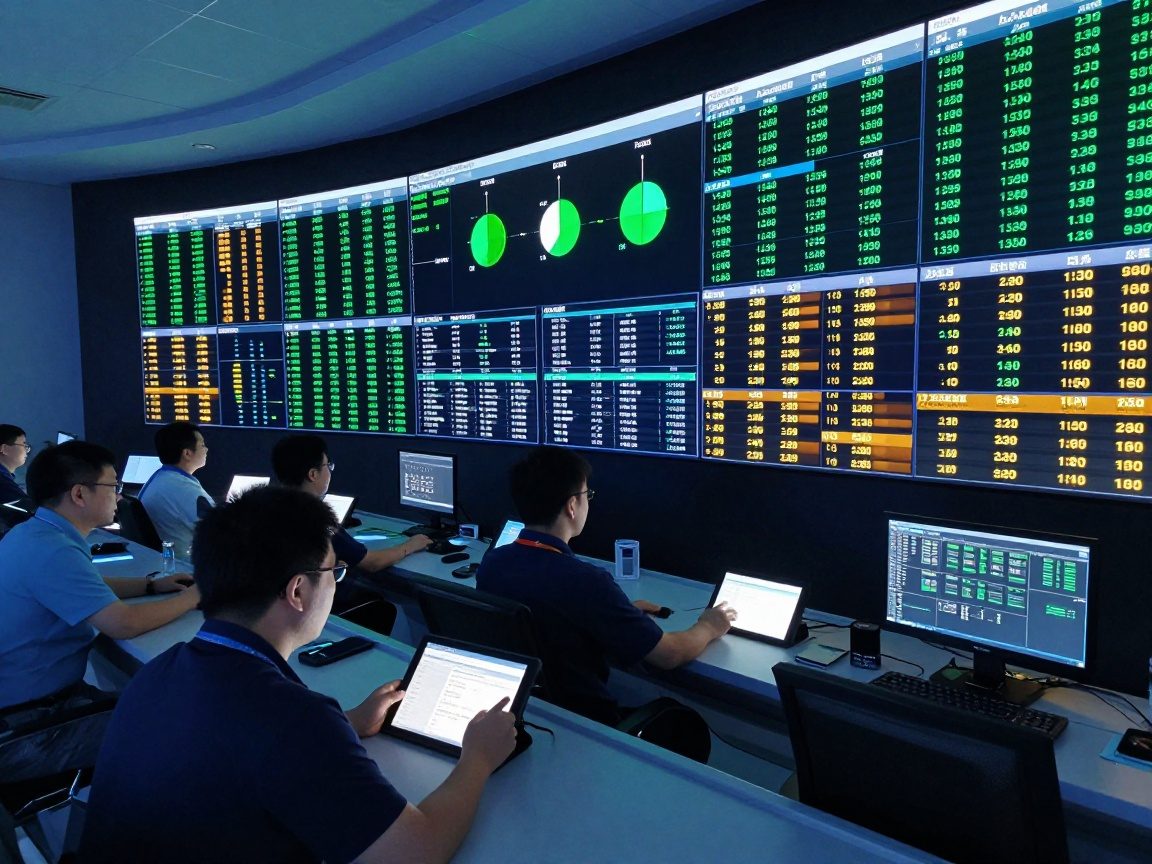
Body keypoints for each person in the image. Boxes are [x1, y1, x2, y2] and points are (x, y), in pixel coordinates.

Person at [79, 486, 517, 864]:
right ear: (298, 591)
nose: (336, 584)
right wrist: (477, 757)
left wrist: (346, 722)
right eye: (333, 572)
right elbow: (416, 852)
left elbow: (236, 748)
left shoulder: (161, 671)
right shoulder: (293, 718)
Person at [477, 446, 737, 725]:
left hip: (529, 713)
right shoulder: (585, 581)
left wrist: (617, 611)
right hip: (586, 723)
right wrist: (709, 626)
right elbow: (669, 655)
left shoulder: (493, 563)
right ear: (572, 506)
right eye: (586, 494)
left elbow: (553, 616)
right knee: (684, 723)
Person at [0, 441, 199, 713]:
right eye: (113, 487)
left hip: (32, 698)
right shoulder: (55, 551)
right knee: (167, 727)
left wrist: (151, 585)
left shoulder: (33, 533)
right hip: (34, 718)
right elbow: (123, 625)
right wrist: (195, 596)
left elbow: (88, 585)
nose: (119, 496)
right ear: (80, 494)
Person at [271, 434, 432, 573]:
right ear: (313, 474)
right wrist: (410, 546)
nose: (330, 471)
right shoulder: (316, 519)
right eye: (328, 465)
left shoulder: (265, 508)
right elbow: (372, 563)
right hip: (315, 605)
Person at [138, 421, 212, 558]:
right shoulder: (185, 489)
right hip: (186, 567)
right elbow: (217, 530)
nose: (206, 449)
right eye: (202, 445)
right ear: (187, 453)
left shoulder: (159, 479)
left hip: (164, 562)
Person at [0, 423, 32, 510]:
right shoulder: (3, 483)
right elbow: (29, 508)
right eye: (24, 445)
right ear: (4, 449)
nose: (27, 450)